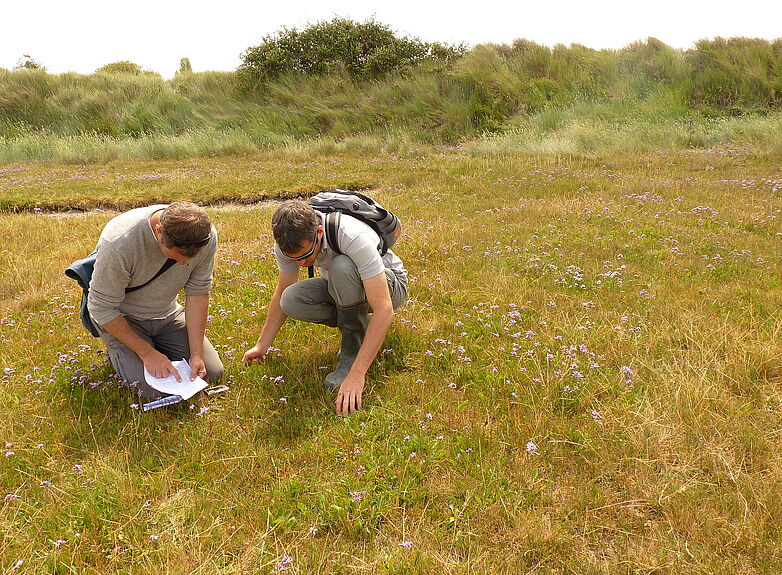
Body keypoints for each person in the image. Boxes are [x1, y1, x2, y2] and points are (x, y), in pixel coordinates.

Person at [242, 199, 408, 415]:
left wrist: (357, 374)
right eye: (294, 259)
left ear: (319, 232)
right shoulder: (287, 242)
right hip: (342, 287)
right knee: (291, 299)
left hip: (390, 286)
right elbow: (282, 290)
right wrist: (262, 345)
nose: (300, 264)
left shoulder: (350, 235)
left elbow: (384, 309)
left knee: (342, 266)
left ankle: (351, 351)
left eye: (305, 256)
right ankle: (363, 326)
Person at [87, 202, 223, 400]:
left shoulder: (205, 236)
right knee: (152, 393)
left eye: (190, 258)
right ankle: (122, 347)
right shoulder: (119, 242)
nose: (185, 263)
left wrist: (197, 354)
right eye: (178, 256)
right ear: (159, 231)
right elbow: (101, 307)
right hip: (124, 318)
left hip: (168, 314)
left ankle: (151, 348)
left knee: (211, 373)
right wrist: (147, 353)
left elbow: (198, 293)